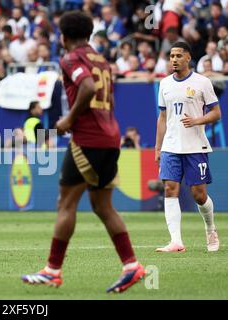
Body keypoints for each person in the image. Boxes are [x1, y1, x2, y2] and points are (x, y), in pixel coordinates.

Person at [21, 11, 145, 293]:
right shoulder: (102, 59)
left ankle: (52, 270)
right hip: (111, 137)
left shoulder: (70, 58)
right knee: (103, 205)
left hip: (88, 139)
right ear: (89, 34)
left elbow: (87, 87)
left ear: (63, 37)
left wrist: (69, 120)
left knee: (65, 204)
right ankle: (131, 265)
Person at [155, 42, 221, 253]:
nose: (173, 59)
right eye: (171, 56)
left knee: (199, 195)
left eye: (178, 55)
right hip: (171, 146)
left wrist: (197, 120)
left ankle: (210, 228)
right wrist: (158, 148)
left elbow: (216, 113)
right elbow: (163, 117)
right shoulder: (164, 83)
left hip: (195, 145)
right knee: (169, 189)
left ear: (188, 58)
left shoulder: (202, 82)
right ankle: (176, 241)